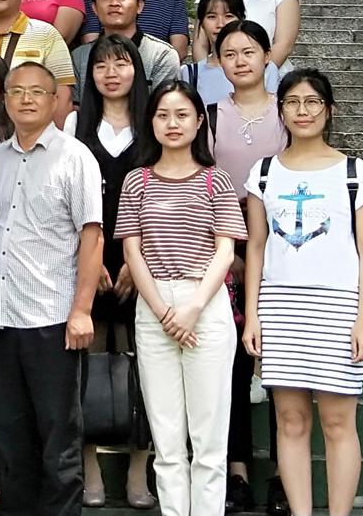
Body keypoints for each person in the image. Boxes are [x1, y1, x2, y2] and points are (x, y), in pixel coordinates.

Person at [242, 71, 363, 516]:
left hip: (338, 308)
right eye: (293, 102)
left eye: (313, 102)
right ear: (280, 110)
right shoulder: (264, 173)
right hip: (281, 307)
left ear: (329, 109)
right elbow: (257, 246)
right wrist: (253, 315)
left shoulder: (355, 173)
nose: (303, 111)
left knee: (337, 422)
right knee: (290, 420)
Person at [121, 80, 249, 516]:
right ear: (150, 122)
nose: (172, 123)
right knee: (167, 441)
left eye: (181, 115)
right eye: (162, 115)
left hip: (205, 304)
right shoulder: (137, 181)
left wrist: (192, 309)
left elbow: (226, 251)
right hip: (154, 305)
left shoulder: (216, 180)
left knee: (209, 442)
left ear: (198, 123)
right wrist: (163, 312)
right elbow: (133, 252)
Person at [0, 61, 104, 516]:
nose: (27, 99)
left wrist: (82, 310)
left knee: (59, 442)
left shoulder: (75, 157)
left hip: (52, 321)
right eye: (17, 91)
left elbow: (92, 236)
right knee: (10, 440)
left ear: (56, 101)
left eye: (37, 91)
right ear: (5, 100)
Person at [206, 21, 288, 512]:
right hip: (228, 250)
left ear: (266, 56)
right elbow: (204, 185)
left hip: (285, 249)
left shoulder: (289, 110)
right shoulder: (211, 115)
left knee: (281, 367)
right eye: (230, 53)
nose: (240, 61)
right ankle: (236, 472)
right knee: (233, 365)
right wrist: (229, 251)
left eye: (249, 51)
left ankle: (283, 474)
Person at [71, 34, 154, 510]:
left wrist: (135, 264)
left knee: (146, 372)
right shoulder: (76, 128)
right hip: (89, 266)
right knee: (87, 371)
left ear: (136, 72)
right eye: (101, 65)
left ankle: (139, 472)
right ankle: (91, 471)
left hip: (145, 267)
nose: (111, 73)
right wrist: (92, 259)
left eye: (121, 64)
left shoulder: (154, 125)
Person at [74, 0, 183, 89]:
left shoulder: (162, 55)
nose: (114, 3)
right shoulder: (80, 57)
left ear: (139, 6)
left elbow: (163, 100)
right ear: (94, 8)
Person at [184, 0, 245, 97]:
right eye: (212, 17)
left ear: (241, 20)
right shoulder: (189, 73)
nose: (220, 24)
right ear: (202, 24)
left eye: (228, 16)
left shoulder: (264, 70)